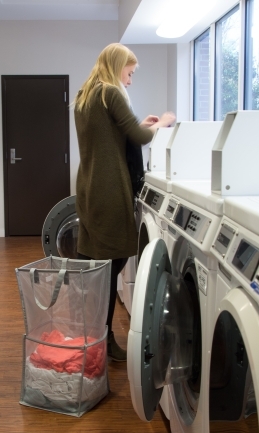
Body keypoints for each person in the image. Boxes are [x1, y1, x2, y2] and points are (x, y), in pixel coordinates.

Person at [73, 43, 176, 362]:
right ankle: (101, 341)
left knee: (99, 266)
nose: (129, 81)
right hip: (109, 187)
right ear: (118, 66)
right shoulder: (111, 93)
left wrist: (140, 125)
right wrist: (163, 123)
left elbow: (114, 136)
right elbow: (140, 139)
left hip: (89, 186)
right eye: (129, 73)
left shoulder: (86, 95)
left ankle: (94, 338)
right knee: (111, 263)